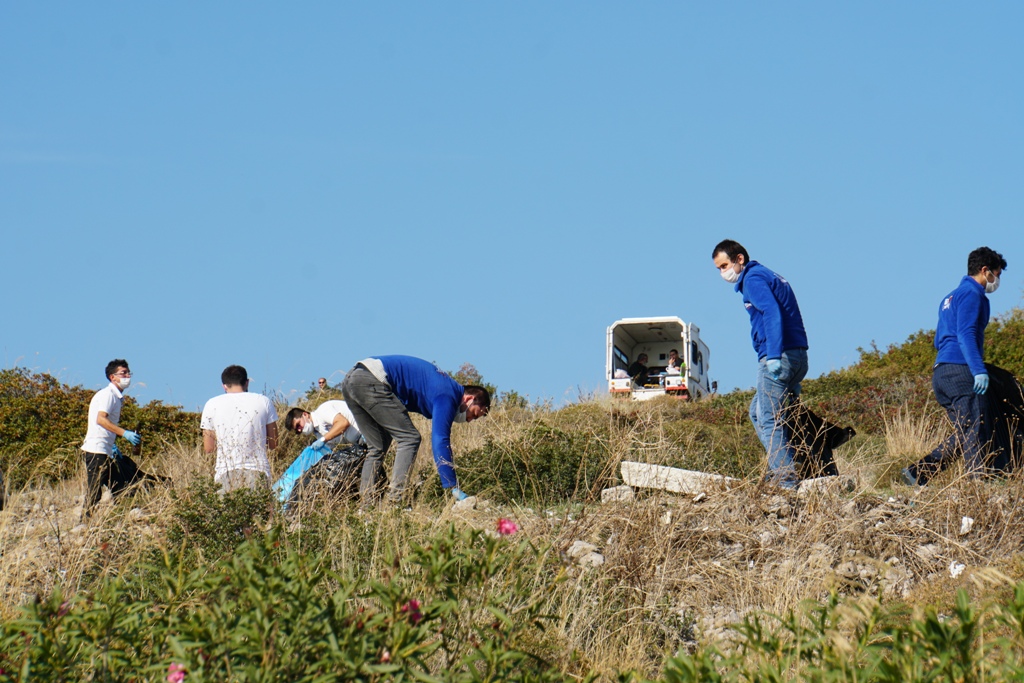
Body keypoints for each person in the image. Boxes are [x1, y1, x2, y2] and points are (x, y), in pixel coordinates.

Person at [903, 247, 1008, 486]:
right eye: (997, 274)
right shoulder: (973, 294)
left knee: (966, 428)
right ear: (985, 271)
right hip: (961, 370)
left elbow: (938, 338)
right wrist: (978, 370)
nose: (997, 280)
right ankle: (976, 485)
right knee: (975, 429)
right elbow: (967, 333)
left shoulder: (949, 298)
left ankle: (919, 473)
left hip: (942, 372)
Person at [713, 239, 809, 488]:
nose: (723, 273)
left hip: (778, 356)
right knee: (757, 411)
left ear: (739, 259)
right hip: (797, 354)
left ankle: (786, 478)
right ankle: (784, 466)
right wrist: (795, 374)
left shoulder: (753, 280)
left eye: (724, 265)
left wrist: (775, 355)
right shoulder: (770, 275)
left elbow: (771, 312)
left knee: (768, 417)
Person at [340, 355, 490, 505]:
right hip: (371, 380)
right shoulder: (448, 394)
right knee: (410, 438)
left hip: (352, 379)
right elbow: (440, 440)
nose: (469, 420)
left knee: (377, 446)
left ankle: (367, 508)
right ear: (469, 399)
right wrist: (452, 485)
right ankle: (395, 502)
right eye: (474, 414)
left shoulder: (443, 386)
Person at [79, 359, 144, 517]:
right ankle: (84, 524)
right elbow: (101, 419)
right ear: (112, 377)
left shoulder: (116, 397)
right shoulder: (108, 395)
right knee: (95, 491)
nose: (127, 376)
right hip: (96, 450)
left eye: (128, 373)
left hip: (106, 450)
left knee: (120, 486)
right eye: (123, 373)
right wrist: (124, 433)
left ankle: (121, 519)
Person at [200, 365, 278, 493]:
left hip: (225, 472)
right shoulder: (264, 401)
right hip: (258, 470)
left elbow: (209, 448)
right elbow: (274, 443)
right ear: (247, 382)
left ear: (224, 386)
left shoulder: (212, 404)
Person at [284, 400, 364, 448]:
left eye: (298, 425)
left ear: (305, 414)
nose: (300, 429)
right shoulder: (318, 433)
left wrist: (324, 439)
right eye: (297, 430)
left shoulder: (322, 411)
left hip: (366, 432)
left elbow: (343, 423)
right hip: (360, 442)